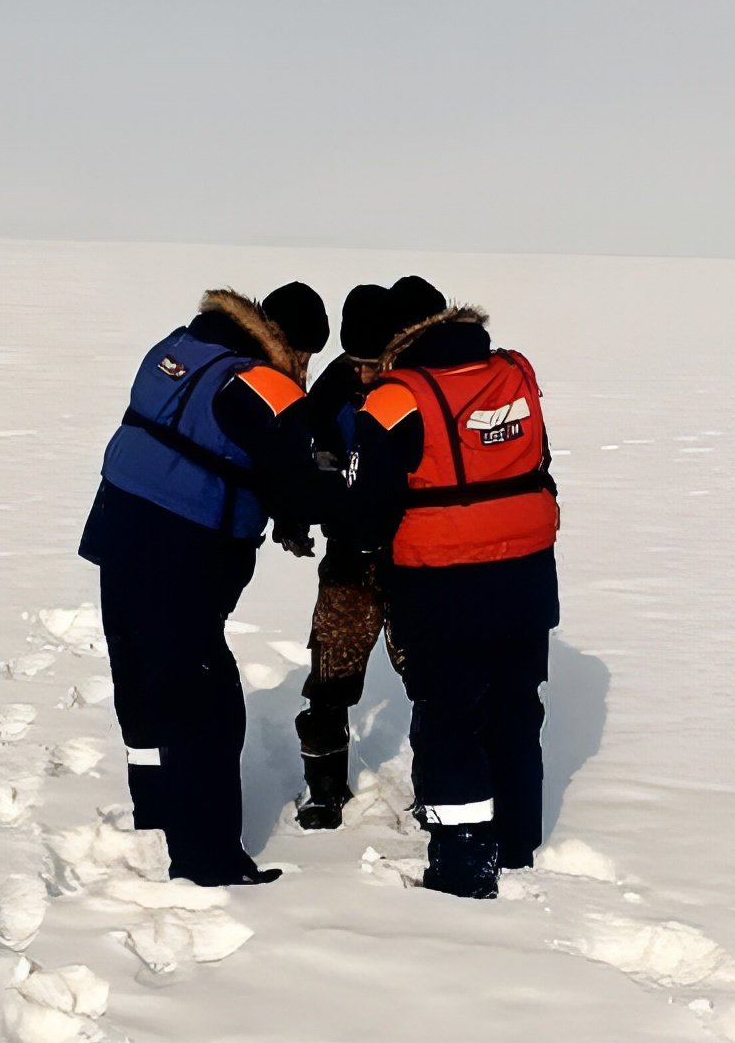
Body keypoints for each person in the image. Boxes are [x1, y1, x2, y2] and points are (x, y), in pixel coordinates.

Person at [80, 281, 332, 887]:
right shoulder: (261, 383)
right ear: (293, 346)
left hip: (118, 523)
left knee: (139, 674)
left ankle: (157, 813)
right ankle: (208, 858)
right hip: (183, 547)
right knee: (203, 699)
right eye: (306, 358)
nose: (303, 371)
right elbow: (300, 472)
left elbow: (208, 434)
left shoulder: (182, 346)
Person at [340, 286, 559, 899]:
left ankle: (463, 868)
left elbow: (365, 510)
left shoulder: (394, 399)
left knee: (450, 722)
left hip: (442, 583)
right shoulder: (514, 372)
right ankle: (516, 843)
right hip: (529, 572)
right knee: (517, 709)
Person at [294, 281, 410, 828]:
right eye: (356, 361)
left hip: (411, 556)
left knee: (429, 674)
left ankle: (441, 786)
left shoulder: (414, 389)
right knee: (330, 675)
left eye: (375, 362)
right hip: (347, 553)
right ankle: (324, 789)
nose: (366, 374)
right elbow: (300, 458)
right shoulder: (329, 391)